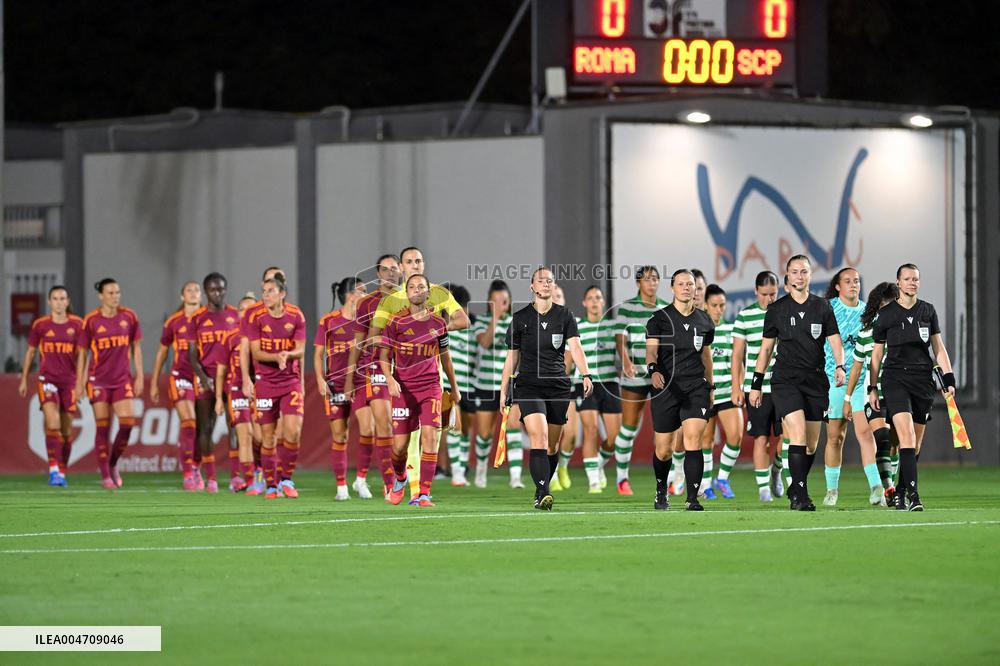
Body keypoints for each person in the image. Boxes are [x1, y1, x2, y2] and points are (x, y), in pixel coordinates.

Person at [371, 246, 470, 500]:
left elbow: (462, 321)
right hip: (401, 379)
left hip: (431, 378)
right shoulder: (391, 302)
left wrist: (433, 329)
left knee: (429, 437)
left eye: (419, 260)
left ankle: (421, 493)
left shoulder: (438, 294)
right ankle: (402, 478)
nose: (415, 265)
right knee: (401, 445)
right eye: (409, 261)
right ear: (401, 268)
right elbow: (374, 338)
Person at [750, 255, 847, 511]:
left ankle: (797, 484)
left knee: (812, 444)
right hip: (785, 380)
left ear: (810, 275)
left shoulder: (823, 307)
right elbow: (766, 349)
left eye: (804, 271)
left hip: (815, 380)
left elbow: (835, 339)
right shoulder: (777, 309)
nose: (800, 276)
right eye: (795, 272)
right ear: (788, 276)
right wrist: (756, 384)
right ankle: (801, 496)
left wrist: (840, 365)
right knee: (798, 434)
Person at [499, 267, 593, 511]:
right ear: (532, 287)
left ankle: (543, 485)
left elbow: (576, 347)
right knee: (538, 438)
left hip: (558, 386)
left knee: (552, 446)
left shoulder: (565, 315)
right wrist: (503, 389)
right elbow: (511, 358)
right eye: (541, 281)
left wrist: (586, 374)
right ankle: (542, 492)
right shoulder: (520, 318)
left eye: (550, 281)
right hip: (529, 386)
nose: (546, 284)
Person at [870, 263, 955, 511]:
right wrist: (872, 388)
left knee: (915, 444)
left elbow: (938, 349)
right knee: (905, 435)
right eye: (907, 279)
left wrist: (948, 380)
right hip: (895, 379)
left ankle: (901, 490)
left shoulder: (927, 311)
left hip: (923, 381)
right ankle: (914, 497)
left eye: (915, 279)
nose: (912, 282)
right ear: (898, 282)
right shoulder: (886, 315)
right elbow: (877, 356)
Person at [645, 269, 716, 511]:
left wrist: (711, 386)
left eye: (691, 284)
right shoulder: (659, 319)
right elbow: (651, 350)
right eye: (682, 284)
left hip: (696, 387)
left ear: (697, 289)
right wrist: (653, 369)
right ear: (672, 288)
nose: (687, 288)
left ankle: (692, 498)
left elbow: (706, 355)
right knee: (664, 449)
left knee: (693, 439)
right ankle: (660, 488)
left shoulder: (705, 320)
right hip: (666, 388)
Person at [821, 267, 883, 506]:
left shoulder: (869, 312)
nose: (853, 284)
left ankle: (876, 487)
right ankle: (832, 490)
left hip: (860, 381)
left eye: (856, 280)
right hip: (833, 380)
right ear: (837, 286)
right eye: (847, 281)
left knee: (865, 433)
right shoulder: (828, 309)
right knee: (835, 437)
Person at [344, 254, 403, 497]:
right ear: (378, 274)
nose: (390, 273)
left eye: (393, 269)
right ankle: (390, 485)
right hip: (377, 367)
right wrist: (348, 379)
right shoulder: (367, 303)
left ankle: (408, 479)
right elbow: (358, 343)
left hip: (406, 369)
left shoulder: (409, 299)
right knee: (385, 424)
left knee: (403, 430)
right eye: (384, 269)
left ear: (399, 271)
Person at [75, 278, 144, 489]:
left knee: (127, 424)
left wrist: (139, 375)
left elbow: (136, 348)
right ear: (101, 296)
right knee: (102, 427)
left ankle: (113, 462)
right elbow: (83, 354)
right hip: (98, 380)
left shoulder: (129, 316)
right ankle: (105, 474)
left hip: (122, 379)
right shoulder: (91, 320)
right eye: (111, 293)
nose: (115, 296)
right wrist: (80, 382)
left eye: (117, 292)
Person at [247, 275, 307, 499]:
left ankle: (287, 479)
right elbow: (256, 352)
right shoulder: (257, 318)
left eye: (270, 291)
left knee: (293, 431)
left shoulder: (295, 315)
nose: (265, 295)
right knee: (267, 437)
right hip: (265, 383)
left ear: (282, 294)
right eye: (264, 291)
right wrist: (276, 357)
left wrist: (287, 354)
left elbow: (301, 349)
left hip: (289, 381)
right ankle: (271, 485)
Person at [18, 286, 84, 486]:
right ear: (49, 302)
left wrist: (81, 383)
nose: (58, 302)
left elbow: (82, 355)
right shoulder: (40, 325)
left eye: (62, 298)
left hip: (69, 383)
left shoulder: (78, 324)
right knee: (52, 422)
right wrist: (24, 378)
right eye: (54, 298)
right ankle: (53, 470)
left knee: (66, 431)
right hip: (47, 380)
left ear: (67, 301)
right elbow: (30, 352)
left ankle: (62, 472)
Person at [613, 265, 668, 496]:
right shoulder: (626, 308)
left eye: (655, 279)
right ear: (638, 284)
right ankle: (622, 478)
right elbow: (619, 339)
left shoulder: (666, 308)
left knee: (667, 428)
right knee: (629, 426)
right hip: (634, 374)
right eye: (647, 279)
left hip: (659, 376)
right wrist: (625, 361)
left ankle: (672, 480)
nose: (652, 283)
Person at [845, 281, 900, 507]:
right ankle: (888, 488)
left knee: (898, 444)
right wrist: (848, 398)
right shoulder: (867, 333)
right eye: (884, 305)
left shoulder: (903, 331)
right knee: (883, 438)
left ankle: (894, 484)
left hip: (900, 392)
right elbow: (857, 367)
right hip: (874, 394)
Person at [313, 277, 368, 500]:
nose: (367, 295)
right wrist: (319, 379)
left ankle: (361, 480)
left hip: (361, 382)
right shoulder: (329, 321)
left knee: (369, 428)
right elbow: (318, 354)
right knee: (340, 435)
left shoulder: (367, 321)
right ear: (350, 294)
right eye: (363, 291)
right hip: (335, 383)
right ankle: (341, 486)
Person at [731, 271, 783, 502]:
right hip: (756, 389)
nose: (769, 299)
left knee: (788, 439)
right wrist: (736, 387)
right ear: (756, 291)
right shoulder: (745, 316)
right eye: (764, 294)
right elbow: (737, 355)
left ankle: (777, 470)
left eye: (773, 294)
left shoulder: (784, 312)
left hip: (783, 386)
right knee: (761, 438)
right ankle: (763, 489)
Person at [188, 273, 240, 493]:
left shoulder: (235, 316)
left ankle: (236, 476)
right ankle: (210, 478)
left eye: (220, 289)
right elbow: (191, 355)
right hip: (206, 378)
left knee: (234, 425)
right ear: (206, 291)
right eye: (212, 290)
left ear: (225, 290)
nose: (217, 293)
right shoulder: (197, 318)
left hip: (231, 378)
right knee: (206, 426)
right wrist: (203, 378)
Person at [149, 281, 202, 489]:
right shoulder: (174, 321)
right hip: (180, 375)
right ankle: (188, 473)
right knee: (189, 421)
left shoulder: (207, 319)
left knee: (203, 427)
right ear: (182, 296)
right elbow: (162, 352)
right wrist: (154, 381)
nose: (193, 293)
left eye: (196, 289)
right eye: (189, 290)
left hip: (203, 377)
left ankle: (196, 465)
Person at [471, 280, 522, 488]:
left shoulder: (517, 323)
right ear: (489, 302)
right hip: (484, 385)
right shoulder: (482, 320)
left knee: (513, 427)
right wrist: (495, 316)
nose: (501, 304)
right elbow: (484, 342)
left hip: (509, 383)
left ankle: (516, 477)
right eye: (496, 301)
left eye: (504, 300)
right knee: (484, 433)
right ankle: (481, 470)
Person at [571, 285, 621, 493]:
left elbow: (622, 350)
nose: (594, 301)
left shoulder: (613, 326)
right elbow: (568, 357)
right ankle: (593, 480)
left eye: (597, 297)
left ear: (603, 302)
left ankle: (599, 462)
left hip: (609, 382)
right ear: (584, 303)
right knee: (590, 430)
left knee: (615, 437)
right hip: (585, 383)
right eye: (590, 298)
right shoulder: (576, 326)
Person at [701, 284, 744, 500]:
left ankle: (723, 478)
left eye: (722, 305)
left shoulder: (732, 329)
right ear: (705, 305)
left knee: (736, 436)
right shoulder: (699, 329)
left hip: (728, 390)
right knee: (706, 441)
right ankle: (706, 485)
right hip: (706, 393)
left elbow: (739, 361)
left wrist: (740, 387)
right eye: (714, 305)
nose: (719, 310)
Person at [214, 294, 259, 492]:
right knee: (245, 434)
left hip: (260, 390)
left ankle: (262, 473)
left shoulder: (262, 337)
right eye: (243, 310)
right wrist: (217, 398)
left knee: (260, 436)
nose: (247, 314)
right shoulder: (230, 337)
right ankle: (250, 480)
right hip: (236, 390)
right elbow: (221, 370)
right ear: (238, 313)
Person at [439, 284, 477, 487]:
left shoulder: (470, 332)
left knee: (464, 431)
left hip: (469, 387)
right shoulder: (442, 330)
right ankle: (456, 472)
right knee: (454, 426)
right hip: (449, 385)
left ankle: (461, 467)